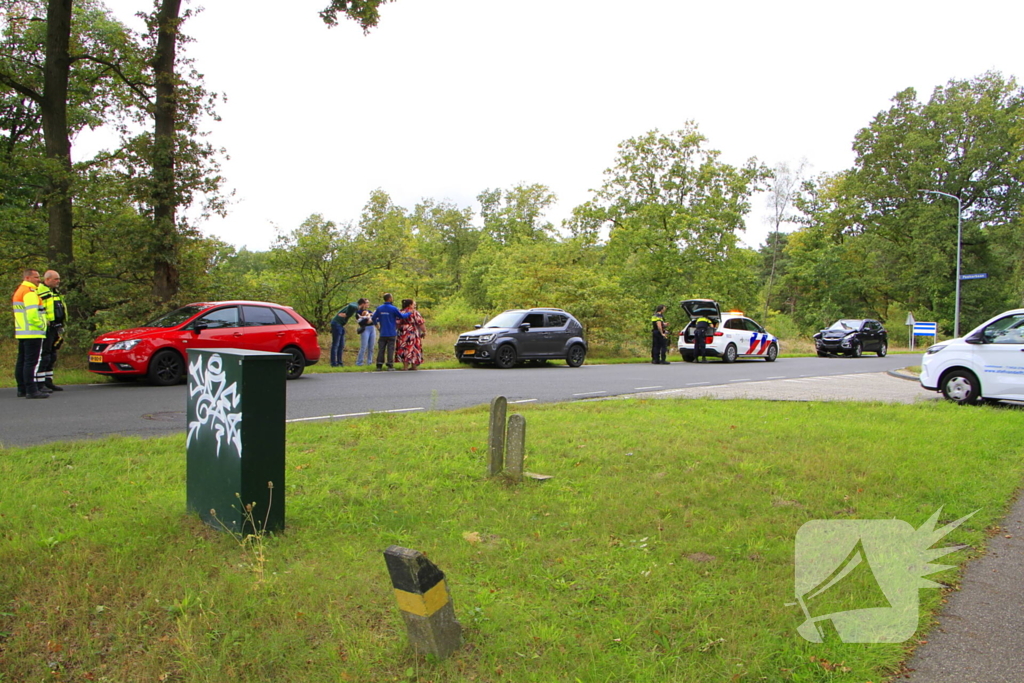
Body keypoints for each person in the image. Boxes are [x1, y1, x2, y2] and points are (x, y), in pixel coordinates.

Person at [12, 268, 49, 399]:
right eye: (36, 277)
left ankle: (22, 388)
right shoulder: (30, 292)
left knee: (22, 361)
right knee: (31, 362)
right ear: (27, 278)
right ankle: (31, 390)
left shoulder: (20, 290)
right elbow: (33, 314)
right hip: (33, 331)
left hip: (22, 331)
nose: (39, 280)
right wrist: (41, 325)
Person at [36, 270, 67, 391]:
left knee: (52, 354)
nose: (58, 281)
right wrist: (45, 322)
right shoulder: (40, 291)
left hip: (56, 327)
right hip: (47, 327)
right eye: (56, 279)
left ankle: (48, 381)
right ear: (47, 279)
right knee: (45, 355)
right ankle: (40, 383)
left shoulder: (55, 292)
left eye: (58, 279)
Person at [371, 293, 411, 371]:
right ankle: (390, 365)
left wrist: (378, 327)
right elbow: (401, 316)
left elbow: (373, 318)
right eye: (391, 297)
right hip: (391, 332)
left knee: (381, 349)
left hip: (383, 332)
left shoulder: (379, 308)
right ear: (389, 299)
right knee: (390, 349)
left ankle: (379, 365)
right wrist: (409, 313)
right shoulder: (393, 308)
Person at [330, 298, 365, 367]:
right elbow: (351, 305)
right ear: (363, 304)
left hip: (340, 325)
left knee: (341, 345)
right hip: (337, 323)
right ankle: (333, 363)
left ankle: (340, 362)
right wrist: (347, 314)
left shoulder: (355, 307)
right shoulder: (355, 306)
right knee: (335, 344)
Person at [395, 299, 426, 370]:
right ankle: (414, 366)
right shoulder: (414, 312)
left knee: (404, 348)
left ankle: (405, 366)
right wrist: (424, 331)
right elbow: (420, 322)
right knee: (414, 348)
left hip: (403, 332)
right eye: (414, 304)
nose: (415, 306)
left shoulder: (401, 312)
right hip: (413, 332)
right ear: (410, 305)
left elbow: (397, 323)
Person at [355, 302, 377, 367]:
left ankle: (369, 362)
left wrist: (371, 319)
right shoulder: (358, 312)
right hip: (365, 328)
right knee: (364, 346)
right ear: (363, 304)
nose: (368, 304)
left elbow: (374, 319)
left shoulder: (369, 311)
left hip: (372, 328)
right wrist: (367, 319)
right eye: (366, 303)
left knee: (371, 347)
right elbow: (361, 322)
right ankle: (359, 362)